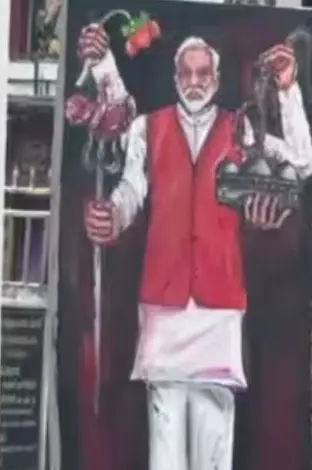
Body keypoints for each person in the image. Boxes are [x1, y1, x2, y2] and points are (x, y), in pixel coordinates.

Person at [78, 23, 312, 470]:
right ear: (175, 78)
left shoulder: (241, 128)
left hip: (219, 304)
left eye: (203, 74)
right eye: (186, 73)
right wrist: (112, 216)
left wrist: (287, 90)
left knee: (213, 440)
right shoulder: (147, 128)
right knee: (165, 441)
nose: (194, 82)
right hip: (163, 305)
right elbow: (130, 191)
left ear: (216, 80)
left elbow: (302, 162)